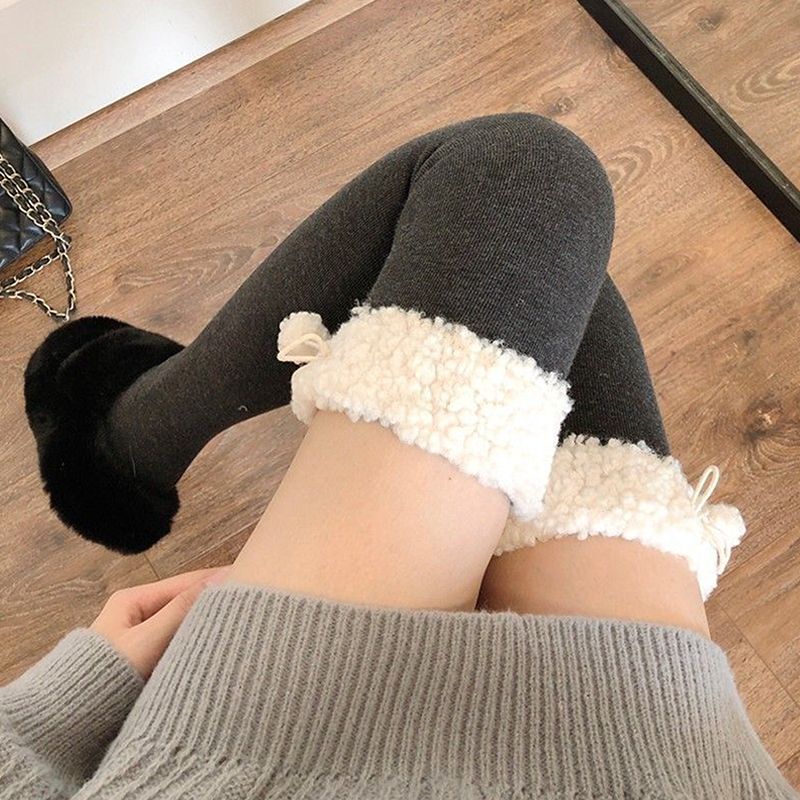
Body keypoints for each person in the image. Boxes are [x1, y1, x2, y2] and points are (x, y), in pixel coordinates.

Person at [2, 114, 794, 798]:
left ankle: (127, 441)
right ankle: (136, 434)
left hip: (300, 757)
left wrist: (54, 715)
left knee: (519, 183)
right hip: (658, 754)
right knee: (549, 294)